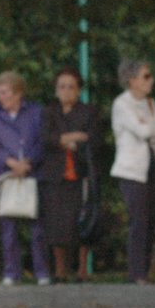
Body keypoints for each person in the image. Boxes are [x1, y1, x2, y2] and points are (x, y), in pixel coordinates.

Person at [38, 67, 99, 283]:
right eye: (61, 87)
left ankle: (82, 269)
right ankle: (60, 270)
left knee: (81, 221)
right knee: (56, 223)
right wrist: (68, 138)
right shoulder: (49, 112)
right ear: (56, 90)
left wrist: (67, 138)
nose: (66, 91)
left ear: (78, 90)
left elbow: (92, 137)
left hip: (81, 173)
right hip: (55, 174)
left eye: (71, 87)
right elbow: (45, 138)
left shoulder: (88, 111)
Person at [109, 58, 155, 284]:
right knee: (139, 220)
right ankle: (136, 272)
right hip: (132, 171)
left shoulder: (150, 104)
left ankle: (146, 267)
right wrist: (149, 127)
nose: (150, 80)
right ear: (132, 80)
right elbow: (141, 131)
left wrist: (149, 126)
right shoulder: (122, 104)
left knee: (152, 220)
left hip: (152, 168)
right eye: (145, 76)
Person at [0, 71, 46, 286]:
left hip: (32, 173)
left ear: (18, 93)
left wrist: (28, 162)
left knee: (37, 227)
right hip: (7, 175)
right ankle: (11, 272)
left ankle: (41, 272)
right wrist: (11, 163)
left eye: (5, 93)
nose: (1, 97)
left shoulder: (36, 112)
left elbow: (42, 141)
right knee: (8, 228)